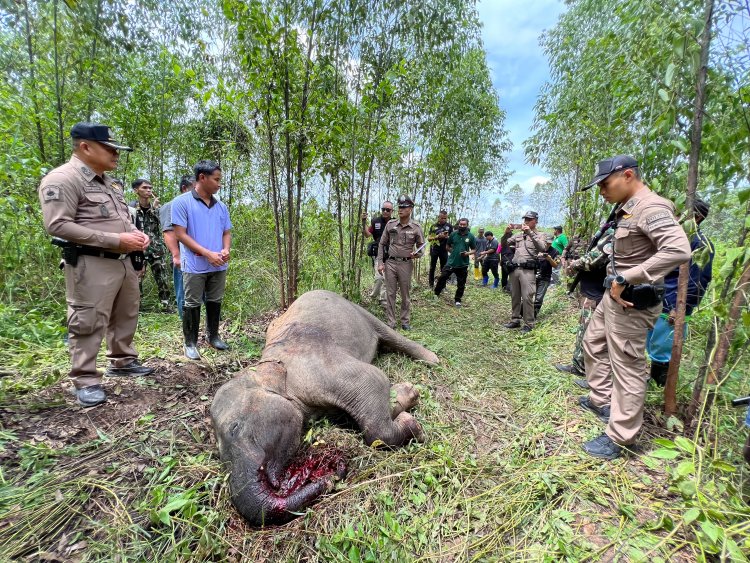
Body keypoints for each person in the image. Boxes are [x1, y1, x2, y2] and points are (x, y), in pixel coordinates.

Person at [578, 155, 690, 460]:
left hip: (632, 301)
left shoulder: (651, 208)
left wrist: (627, 276)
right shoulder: (625, 209)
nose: (601, 190)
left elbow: (678, 249)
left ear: (628, 175)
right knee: (593, 343)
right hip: (612, 297)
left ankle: (621, 436)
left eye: (604, 183)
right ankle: (601, 400)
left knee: (628, 367)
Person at [38, 122, 154, 407]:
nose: (116, 154)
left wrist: (136, 236)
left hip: (124, 261)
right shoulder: (63, 179)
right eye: (110, 148)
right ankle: (86, 378)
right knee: (88, 320)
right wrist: (115, 239)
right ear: (86, 147)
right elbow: (58, 225)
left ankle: (122, 360)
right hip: (92, 263)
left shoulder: (109, 182)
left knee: (126, 314)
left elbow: (121, 218)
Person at [646, 198, 714, 386]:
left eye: (681, 214)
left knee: (663, 350)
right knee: (653, 344)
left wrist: (681, 309)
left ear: (697, 218)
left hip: (673, 307)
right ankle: (652, 382)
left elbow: (699, 280)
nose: (676, 217)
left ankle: (659, 388)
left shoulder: (700, 244)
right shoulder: (675, 239)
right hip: (659, 301)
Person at [172, 160, 232, 360]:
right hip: (195, 264)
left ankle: (213, 337)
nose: (219, 184)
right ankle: (190, 343)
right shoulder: (181, 203)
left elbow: (226, 231)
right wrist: (207, 253)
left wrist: (225, 249)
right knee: (192, 302)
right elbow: (180, 234)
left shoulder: (221, 206)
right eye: (216, 179)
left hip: (218, 263)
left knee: (215, 300)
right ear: (202, 178)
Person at [555, 218, 614, 386]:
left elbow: (592, 260)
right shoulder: (607, 232)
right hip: (591, 294)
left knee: (594, 338)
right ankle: (579, 366)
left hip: (599, 296)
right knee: (584, 332)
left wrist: (574, 264)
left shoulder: (615, 235)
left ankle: (593, 376)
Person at [377, 195, 425, 330]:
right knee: (390, 293)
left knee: (405, 293)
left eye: (404, 207)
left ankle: (405, 321)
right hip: (390, 263)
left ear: (410, 209)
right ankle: (391, 322)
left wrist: (417, 254)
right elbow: (381, 244)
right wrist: (380, 262)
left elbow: (422, 247)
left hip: (406, 264)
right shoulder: (391, 224)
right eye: (399, 207)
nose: (400, 209)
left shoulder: (416, 227)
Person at [502, 211, 549, 333]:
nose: (526, 221)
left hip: (528, 270)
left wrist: (530, 233)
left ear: (535, 220)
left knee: (527, 296)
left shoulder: (540, 235)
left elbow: (542, 248)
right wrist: (507, 233)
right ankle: (515, 320)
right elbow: (503, 245)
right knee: (515, 296)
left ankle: (529, 323)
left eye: (529, 219)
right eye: (525, 219)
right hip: (514, 269)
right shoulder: (518, 235)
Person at [130, 179, 172, 311]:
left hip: (156, 248)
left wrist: (156, 208)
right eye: (145, 188)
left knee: (163, 278)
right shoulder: (131, 209)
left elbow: (165, 224)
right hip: (138, 248)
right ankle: (136, 307)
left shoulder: (156, 208)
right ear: (136, 190)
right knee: (136, 279)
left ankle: (166, 306)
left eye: (150, 188)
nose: (149, 190)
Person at [159, 175, 194, 318]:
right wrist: (176, 255)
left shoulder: (194, 206)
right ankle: (186, 320)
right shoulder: (171, 206)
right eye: (194, 188)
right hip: (183, 256)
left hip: (198, 255)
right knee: (184, 289)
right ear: (184, 188)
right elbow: (168, 232)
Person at [434, 218, 476, 307]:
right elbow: (447, 246)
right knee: (442, 277)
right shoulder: (453, 234)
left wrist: (467, 253)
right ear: (458, 224)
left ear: (467, 225)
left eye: (464, 224)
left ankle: (458, 300)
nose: (462, 226)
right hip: (451, 262)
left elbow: (474, 249)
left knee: (461, 283)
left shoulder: (471, 236)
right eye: (461, 224)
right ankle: (436, 294)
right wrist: (452, 251)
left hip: (463, 263)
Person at [362, 201, 393, 307]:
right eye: (383, 209)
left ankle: (383, 300)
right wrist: (363, 222)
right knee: (379, 277)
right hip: (379, 255)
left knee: (387, 278)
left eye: (387, 210)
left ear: (392, 211)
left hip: (392, 255)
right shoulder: (376, 221)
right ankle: (373, 296)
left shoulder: (395, 223)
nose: (385, 211)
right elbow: (367, 234)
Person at [427, 210, 453, 289]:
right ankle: (431, 285)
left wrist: (446, 237)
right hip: (434, 249)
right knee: (432, 267)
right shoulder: (433, 226)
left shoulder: (449, 226)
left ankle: (443, 286)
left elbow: (452, 238)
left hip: (444, 250)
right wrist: (437, 237)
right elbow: (429, 238)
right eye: (442, 218)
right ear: (438, 217)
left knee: (444, 268)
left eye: (445, 218)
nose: (443, 220)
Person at [533, 246, 560, 317]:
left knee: (538, 299)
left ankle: (533, 315)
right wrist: (536, 256)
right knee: (527, 296)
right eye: (545, 242)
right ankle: (523, 312)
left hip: (545, 277)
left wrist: (549, 259)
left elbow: (556, 265)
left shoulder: (555, 251)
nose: (546, 244)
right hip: (532, 275)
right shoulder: (535, 248)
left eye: (548, 243)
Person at [499, 226, 514, 292]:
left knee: (508, 275)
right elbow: (499, 250)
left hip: (509, 259)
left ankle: (506, 288)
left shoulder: (514, 240)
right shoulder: (504, 240)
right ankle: (505, 288)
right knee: (508, 275)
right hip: (506, 259)